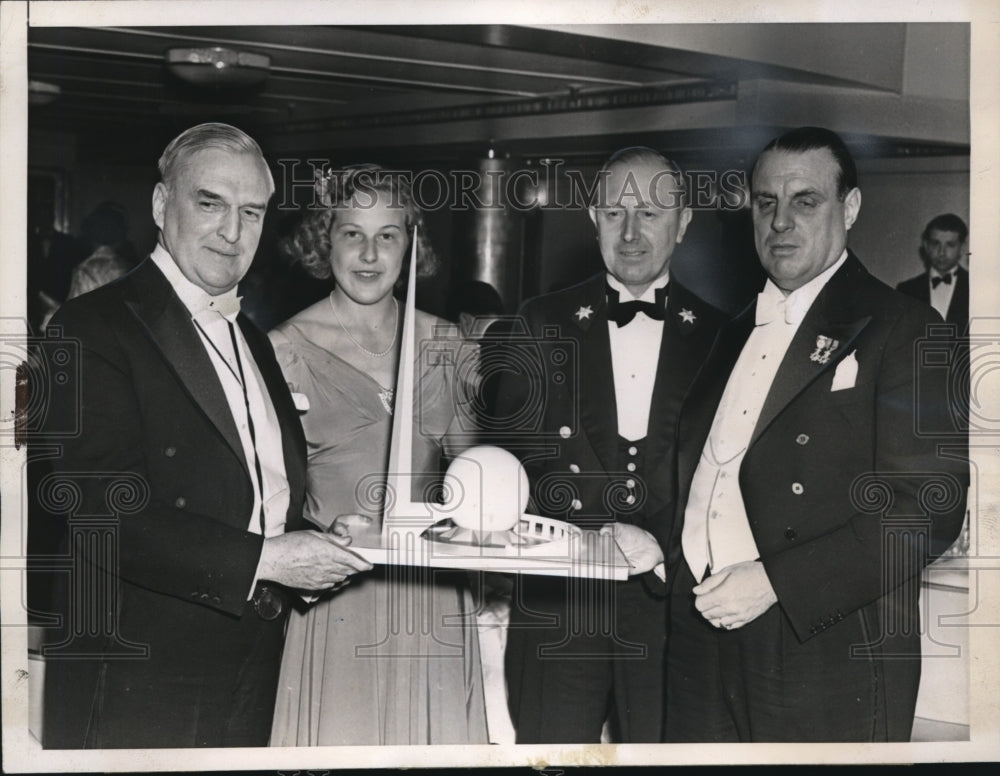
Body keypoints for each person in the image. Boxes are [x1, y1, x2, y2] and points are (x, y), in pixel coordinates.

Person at [38, 123, 372, 749]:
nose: (232, 231)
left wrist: (312, 540)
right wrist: (268, 560)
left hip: (250, 654)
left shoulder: (250, 334)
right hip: (139, 664)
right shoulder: (92, 326)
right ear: (163, 206)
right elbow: (100, 509)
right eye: (210, 203)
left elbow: (250, 486)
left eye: (251, 212)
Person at [665, 126, 968, 742]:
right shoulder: (728, 333)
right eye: (766, 202)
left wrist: (777, 582)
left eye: (806, 201)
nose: (781, 221)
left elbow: (927, 512)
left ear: (849, 208)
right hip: (699, 634)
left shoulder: (906, 328)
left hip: (819, 648)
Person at [495, 147, 727, 743]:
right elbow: (515, 461)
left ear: (683, 222)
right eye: (616, 213)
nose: (631, 233)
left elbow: (730, 482)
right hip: (560, 604)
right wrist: (593, 530)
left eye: (651, 213)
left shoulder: (724, 339)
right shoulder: (538, 321)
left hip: (670, 608)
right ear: (593, 218)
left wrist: (657, 545)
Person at [267, 165, 489, 746]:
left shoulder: (449, 346)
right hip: (336, 591)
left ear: (411, 243)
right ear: (325, 239)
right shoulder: (282, 350)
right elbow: (264, 502)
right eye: (351, 233)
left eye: (387, 234)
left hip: (432, 596)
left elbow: (475, 489)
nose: (369, 253)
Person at [896, 213, 969, 325]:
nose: (941, 252)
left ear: (962, 247)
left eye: (950, 245)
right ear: (925, 245)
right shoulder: (906, 290)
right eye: (935, 244)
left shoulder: (976, 287)